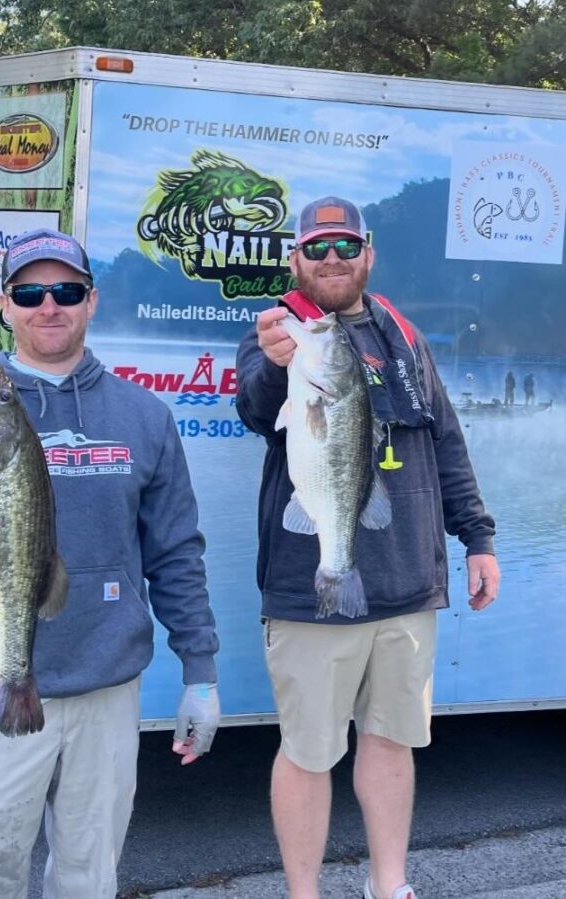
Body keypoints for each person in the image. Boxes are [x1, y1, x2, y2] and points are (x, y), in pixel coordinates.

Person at [0, 228, 220, 899]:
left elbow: (176, 550)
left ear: (92, 301)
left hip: (107, 687)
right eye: (30, 291)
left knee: (89, 877)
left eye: (66, 290)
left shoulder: (143, 415)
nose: (48, 305)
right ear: (6, 304)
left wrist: (199, 669)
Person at [235, 196, 500, 899]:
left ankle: (390, 885)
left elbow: (445, 439)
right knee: (308, 751)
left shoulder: (403, 334)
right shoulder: (279, 333)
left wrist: (477, 536)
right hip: (309, 588)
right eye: (317, 247)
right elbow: (258, 409)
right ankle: (304, 892)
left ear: (368, 255)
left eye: (344, 246)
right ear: (295, 258)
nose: (331, 259)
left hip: (408, 585)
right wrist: (272, 363)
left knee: (391, 743)